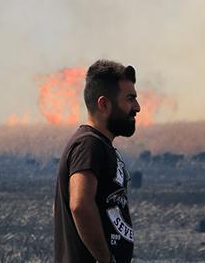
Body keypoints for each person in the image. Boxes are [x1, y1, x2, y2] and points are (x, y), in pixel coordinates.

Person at [54, 59, 140, 263]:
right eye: (130, 99)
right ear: (104, 104)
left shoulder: (100, 146)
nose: (137, 107)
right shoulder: (89, 145)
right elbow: (80, 205)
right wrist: (105, 259)